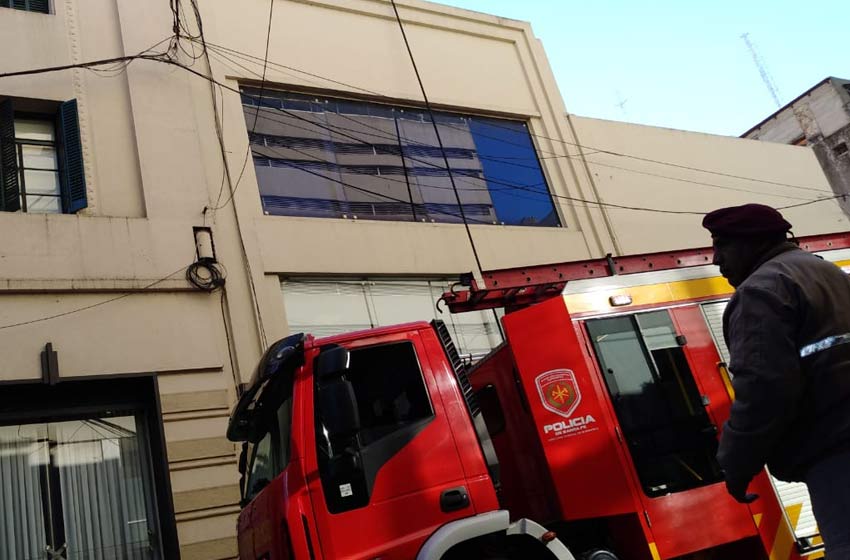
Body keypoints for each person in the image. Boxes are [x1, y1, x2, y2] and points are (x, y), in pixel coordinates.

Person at [703, 203, 850, 557]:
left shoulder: (761, 292)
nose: (716, 259)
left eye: (722, 245)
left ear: (753, 241)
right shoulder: (829, 273)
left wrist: (736, 464)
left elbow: (763, 390)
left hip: (836, 455)